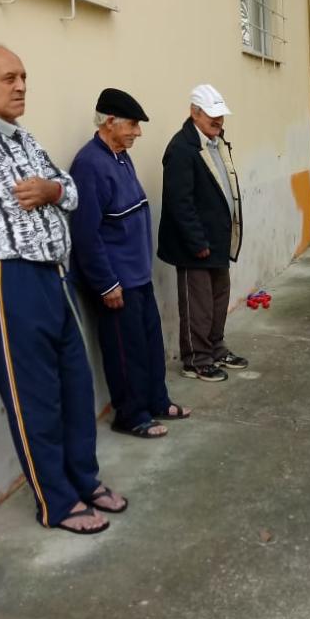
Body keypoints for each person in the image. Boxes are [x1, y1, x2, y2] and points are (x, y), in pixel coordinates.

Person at [0, 41, 126, 534]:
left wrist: (52, 190)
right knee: (32, 396)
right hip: (4, 277)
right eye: (8, 78)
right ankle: (55, 501)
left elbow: (72, 191)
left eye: (23, 77)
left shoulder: (22, 137)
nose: (20, 87)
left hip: (54, 275)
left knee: (76, 386)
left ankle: (84, 479)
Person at [69, 89, 191, 438]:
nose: (138, 132)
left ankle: (156, 401)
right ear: (110, 122)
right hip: (116, 282)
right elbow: (86, 234)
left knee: (150, 344)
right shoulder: (89, 165)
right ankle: (131, 414)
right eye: (133, 125)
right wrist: (107, 284)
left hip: (138, 275)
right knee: (126, 352)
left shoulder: (121, 156)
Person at [158, 84, 245, 381]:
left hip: (218, 240)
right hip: (195, 245)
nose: (219, 122)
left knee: (219, 299)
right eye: (212, 117)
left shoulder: (215, 142)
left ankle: (216, 348)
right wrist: (197, 242)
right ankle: (196, 359)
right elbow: (178, 202)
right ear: (194, 113)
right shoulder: (181, 148)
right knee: (198, 305)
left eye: (221, 116)